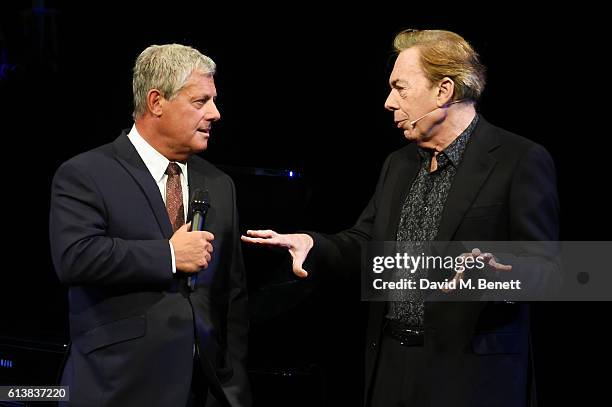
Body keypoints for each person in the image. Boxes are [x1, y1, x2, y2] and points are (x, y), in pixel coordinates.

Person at [242, 29, 559, 407]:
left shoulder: (518, 159)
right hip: (391, 366)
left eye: (401, 88)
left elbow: (548, 270)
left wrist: (496, 274)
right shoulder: (399, 164)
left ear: (444, 91)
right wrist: (314, 245)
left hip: (471, 376)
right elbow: (365, 244)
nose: (389, 102)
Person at [49, 44, 250, 407]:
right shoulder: (87, 173)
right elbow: (75, 256)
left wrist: (233, 386)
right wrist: (168, 255)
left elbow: (232, 298)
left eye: (214, 101)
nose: (216, 113)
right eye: (200, 101)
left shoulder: (220, 185)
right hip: (115, 388)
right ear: (157, 102)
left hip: (201, 393)